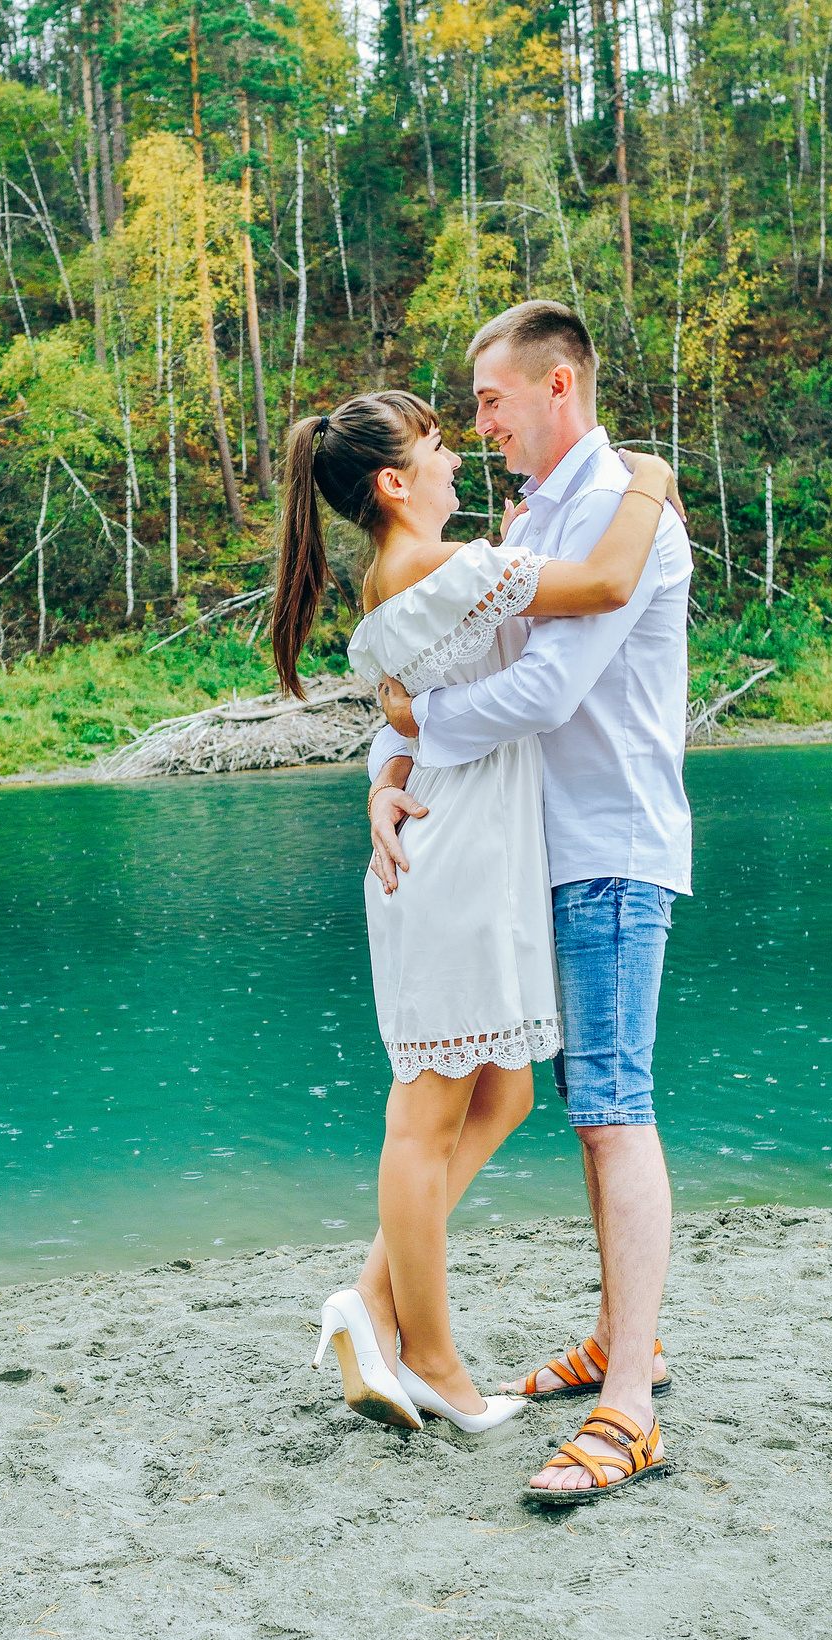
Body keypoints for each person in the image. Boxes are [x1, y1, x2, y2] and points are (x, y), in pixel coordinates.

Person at [269, 388, 678, 1442]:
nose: (461, 454)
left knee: (500, 1096)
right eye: (442, 443)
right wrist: (652, 481)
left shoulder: (419, 573)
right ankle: (433, 1358)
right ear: (396, 483)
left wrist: (386, 767)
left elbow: (410, 710)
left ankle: (369, 1302)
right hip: (452, 860)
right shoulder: (450, 569)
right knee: (427, 1113)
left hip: (468, 848)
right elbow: (602, 579)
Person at [369, 300, 695, 1505]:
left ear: (559, 386)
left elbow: (548, 689)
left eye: (492, 401)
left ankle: (627, 1407)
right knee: (580, 1104)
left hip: (610, 846)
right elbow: (444, 656)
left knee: (614, 1105)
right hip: (532, 857)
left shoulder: (626, 514)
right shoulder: (530, 523)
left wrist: (419, 725)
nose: (479, 424)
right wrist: (389, 768)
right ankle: (624, 1339)